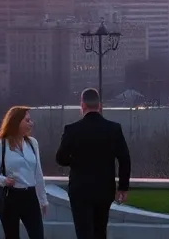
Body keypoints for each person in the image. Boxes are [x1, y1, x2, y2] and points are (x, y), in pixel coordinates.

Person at [55, 88, 132, 239]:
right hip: (104, 189)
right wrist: (123, 187)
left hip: (80, 189)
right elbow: (125, 159)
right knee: (100, 231)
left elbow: (60, 158)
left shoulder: (72, 130)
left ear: (82, 105)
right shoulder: (113, 129)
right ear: (99, 106)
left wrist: (76, 161)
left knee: (84, 232)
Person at [0, 106, 48, 239]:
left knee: (38, 235)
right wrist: (4, 181)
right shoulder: (1, 144)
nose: (31, 124)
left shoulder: (32, 143)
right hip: (10, 197)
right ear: (16, 122)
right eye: (27, 120)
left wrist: (43, 200)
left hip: (30, 197)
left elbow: (38, 173)